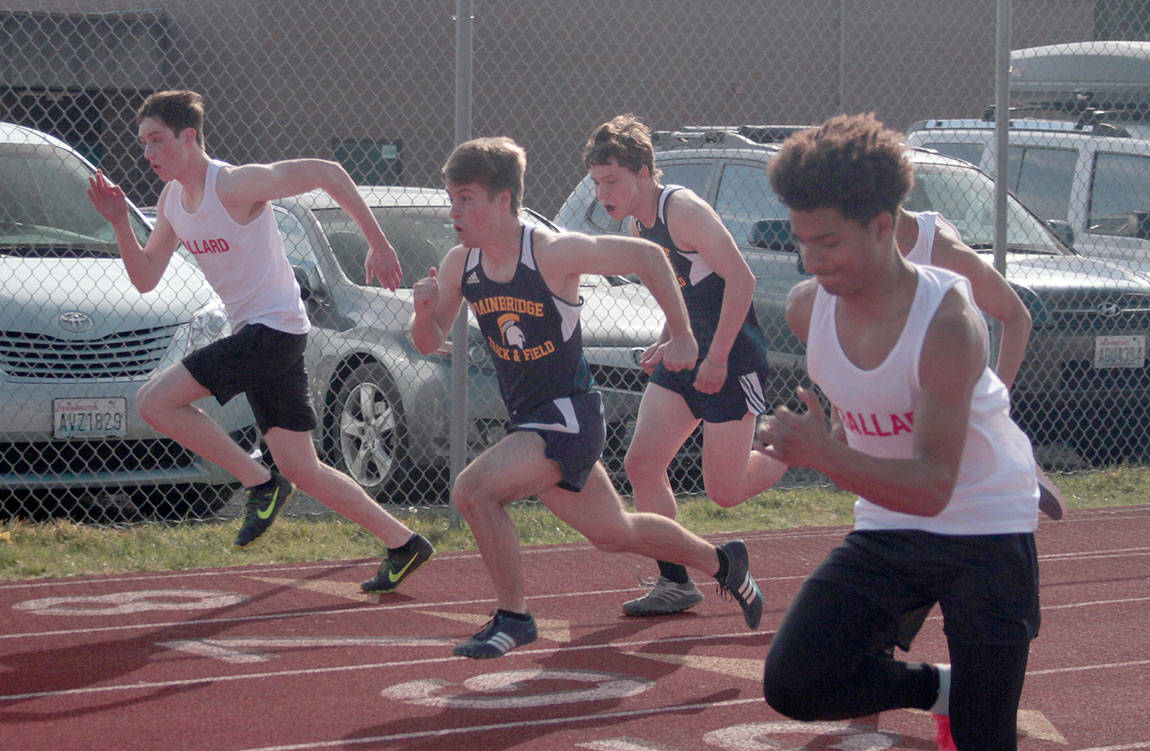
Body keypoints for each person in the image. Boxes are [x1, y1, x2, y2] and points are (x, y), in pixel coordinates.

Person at [755, 114, 1062, 751]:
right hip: (892, 527)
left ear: (885, 226)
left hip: (984, 529)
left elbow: (933, 485)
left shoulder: (948, 323)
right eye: (802, 243)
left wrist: (821, 451)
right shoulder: (806, 307)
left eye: (829, 242)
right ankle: (940, 689)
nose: (812, 260)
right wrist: (799, 437)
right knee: (794, 683)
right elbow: (892, 483)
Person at [409, 136, 765, 659]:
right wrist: (422, 312)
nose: (454, 210)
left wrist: (683, 335)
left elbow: (648, 256)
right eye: (451, 197)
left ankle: (514, 617)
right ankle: (723, 561)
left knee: (474, 491)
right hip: (532, 422)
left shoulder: (553, 252)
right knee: (613, 533)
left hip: (569, 419)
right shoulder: (461, 264)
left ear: (503, 199)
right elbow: (428, 340)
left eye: (466, 198)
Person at [87, 90, 432, 594]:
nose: (148, 154)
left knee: (153, 401)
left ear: (189, 137)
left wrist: (379, 244)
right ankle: (403, 542)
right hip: (266, 335)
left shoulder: (234, 184)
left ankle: (260, 482)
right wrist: (120, 222)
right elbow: (145, 277)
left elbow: (330, 174)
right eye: (142, 144)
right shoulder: (170, 203)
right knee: (303, 467)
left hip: (273, 331)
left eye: (157, 141)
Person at [581, 115, 788, 617]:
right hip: (689, 353)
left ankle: (798, 449)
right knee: (642, 463)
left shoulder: (684, 211)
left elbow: (741, 279)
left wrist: (716, 357)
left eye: (612, 181)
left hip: (731, 358)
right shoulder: (637, 224)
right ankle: (674, 582)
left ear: (644, 174)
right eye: (596, 183)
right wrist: (669, 337)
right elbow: (683, 292)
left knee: (726, 491)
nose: (602, 192)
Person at [895, 208, 1065, 520]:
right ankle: (1015, 465)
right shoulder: (857, 252)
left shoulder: (941, 249)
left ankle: (1016, 467)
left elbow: (1017, 317)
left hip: (953, 383)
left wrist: (996, 405)